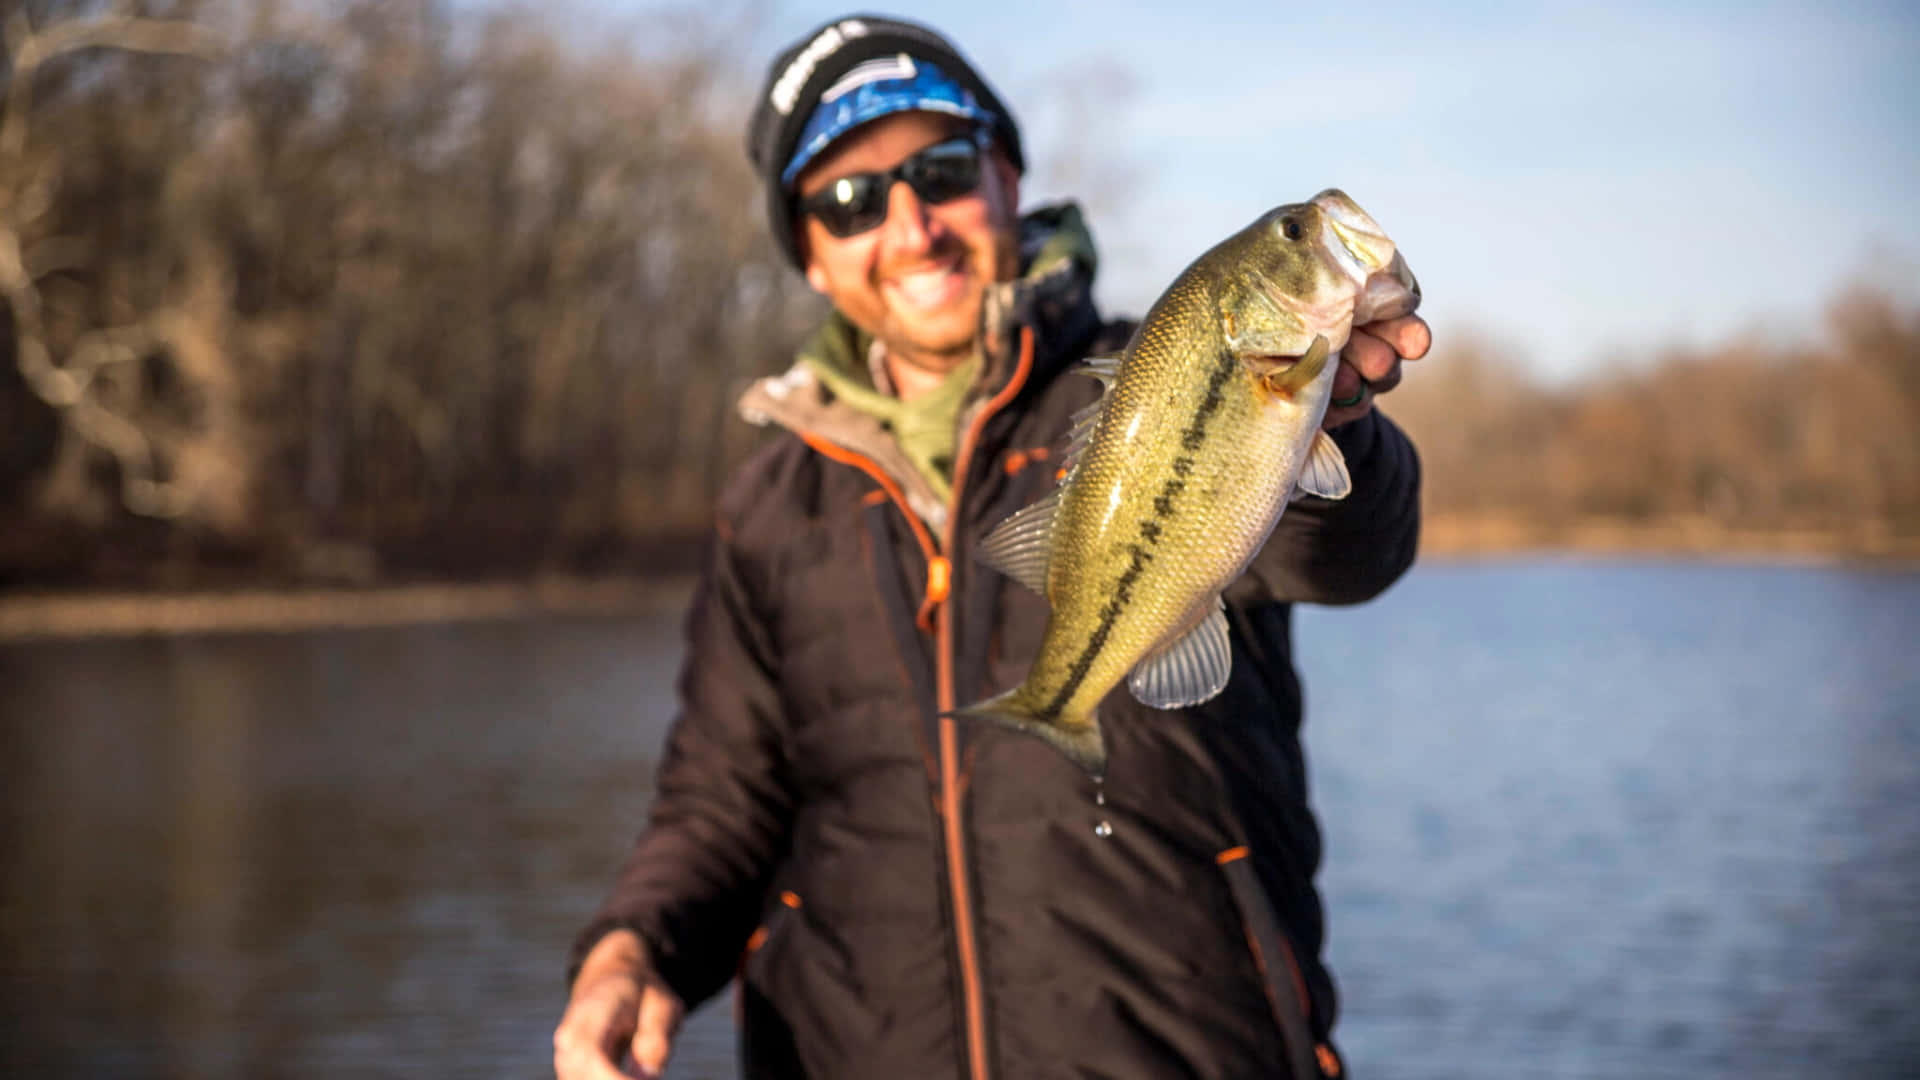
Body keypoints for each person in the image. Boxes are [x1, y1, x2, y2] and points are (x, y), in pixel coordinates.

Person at [553, 14, 1430, 1080]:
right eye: (850, 199)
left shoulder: (1134, 372)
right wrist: (627, 953)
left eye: (944, 168)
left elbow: (1343, 556)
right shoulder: (769, 508)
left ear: (1009, 178)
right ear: (811, 257)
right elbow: (719, 801)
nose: (913, 225)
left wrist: (1334, 429)